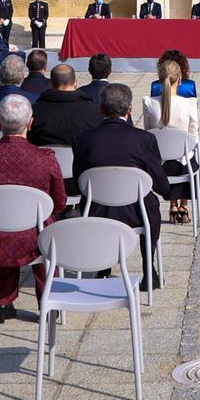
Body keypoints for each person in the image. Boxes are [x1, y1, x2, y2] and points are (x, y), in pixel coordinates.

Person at [0, 95, 65, 323]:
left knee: (2, 221)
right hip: (35, 235)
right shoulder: (45, 158)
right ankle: (48, 301)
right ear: (31, 123)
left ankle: (3, 301)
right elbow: (59, 201)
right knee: (44, 229)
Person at [73, 81, 167, 290]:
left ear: (101, 109)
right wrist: (166, 190)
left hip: (98, 208)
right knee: (151, 206)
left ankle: (103, 266)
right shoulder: (144, 139)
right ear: (130, 109)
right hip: (136, 210)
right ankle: (147, 267)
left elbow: (79, 178)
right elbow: (157, 177)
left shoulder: (84, 139)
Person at [142, 50, 200, 222]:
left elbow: (148, 133)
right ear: (181, 79)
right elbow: (194, 137)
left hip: (160, 163)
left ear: (159, 79)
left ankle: (173, 206)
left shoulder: (149, 104)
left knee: (171, 157)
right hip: (184, 161)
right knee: (189, 156)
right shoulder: (189, 104)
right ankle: (184, 205)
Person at [31, 64, 102, 148]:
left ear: (51, 84)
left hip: (43, 158)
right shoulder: (95, 111)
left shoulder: (35, 111)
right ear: (75, 83)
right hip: (82, 159)